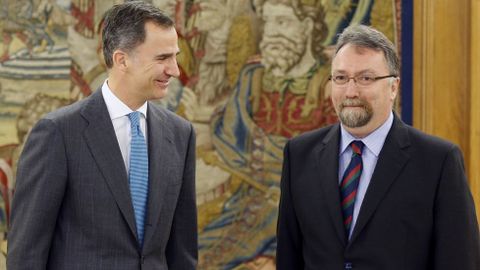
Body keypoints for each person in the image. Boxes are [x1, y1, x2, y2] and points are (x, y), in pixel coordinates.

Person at [7, 1, 197, 269]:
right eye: (162, 58)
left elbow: (182, 251)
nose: (175, 70)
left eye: (174, 56)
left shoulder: (181, 134)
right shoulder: (58, 133)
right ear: (122, 60)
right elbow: (26, 254)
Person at [276, 24, 480, 269]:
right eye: (341, 78)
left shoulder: (438, 161)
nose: (351, 91)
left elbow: (459, 261)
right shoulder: (299, 154)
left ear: (393, 87)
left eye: (366, 78)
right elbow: (289, 257)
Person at [197, 0, 336, 267]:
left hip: (311, 215)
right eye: (267, 22)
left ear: (307, 27)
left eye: (282, 22)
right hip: (247, 208)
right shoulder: (253, 78)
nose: (270, 32)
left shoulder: (332, 85)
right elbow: (228, 138)